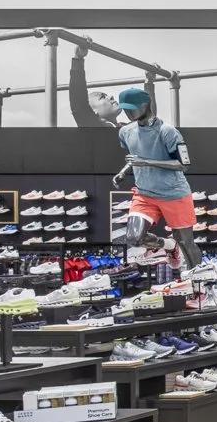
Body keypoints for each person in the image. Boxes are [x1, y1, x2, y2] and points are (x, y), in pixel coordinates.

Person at [111, 86, 200, 269]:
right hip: (145, 193)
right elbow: (136, 157)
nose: (127, 112)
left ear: (146, 104)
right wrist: (124, 171)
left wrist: (147, 162)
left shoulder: (168, 131)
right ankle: (168, 246)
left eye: (132, 107)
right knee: (134, 238)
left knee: (186, 241)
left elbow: (184, 165)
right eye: (125, 108)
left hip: (174, 194)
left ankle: (198, 285)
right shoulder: (125, 132)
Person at [67, 42, 120, 128]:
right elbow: (78, 102)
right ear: (94, 112)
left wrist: (149, 81)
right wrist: (78, 58)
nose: (111, 96)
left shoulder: (126, 127)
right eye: (102, 97)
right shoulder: (94, 129)